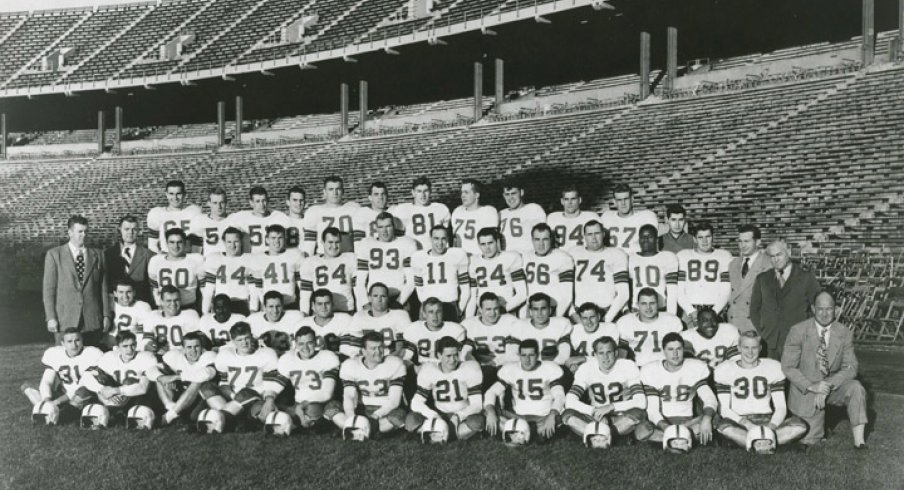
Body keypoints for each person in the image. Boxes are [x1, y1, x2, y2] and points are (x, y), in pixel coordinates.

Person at [781, 292, 867, 449]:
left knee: (856, 388)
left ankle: (859, 442)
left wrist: (826, 386)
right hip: (807, 390)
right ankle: (818, 426)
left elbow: (851, 366)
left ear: (836, 310)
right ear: (813, 309)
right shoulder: (798, 331)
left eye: (829, 309)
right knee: (809, 440)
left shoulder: (844, 332)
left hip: (831, 387)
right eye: (821, 309)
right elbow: (788, 367)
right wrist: (812, 386)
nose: (825, 313)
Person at [715, 331, 807, 449]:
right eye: (746, 347)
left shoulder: (773, 367)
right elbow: (725, 409)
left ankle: (751, 442)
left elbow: (781, 407)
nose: (750, 352)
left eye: (754, 348)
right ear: (739, 348)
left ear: (760, 348)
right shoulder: (725, 369)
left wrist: (771, 426)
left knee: (800, 426)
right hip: (739, 420)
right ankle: (770, 441)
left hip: (767, 418)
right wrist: (747, 424)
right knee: (724, 427)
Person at [563, 337, 649, 442]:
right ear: (595, 355)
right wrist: (593, 411)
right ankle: (610, 435)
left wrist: (612, 407)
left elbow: (641, 402)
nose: (605, 357)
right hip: (596, 417)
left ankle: (595, 435)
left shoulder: (627, 366)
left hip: (621, 416)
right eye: (601, 353)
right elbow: (569, 400)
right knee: (567, 415)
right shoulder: (586, 368)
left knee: (638, 414)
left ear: (616, 353)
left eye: (609, 352)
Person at [43, 215, 111, 346]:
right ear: (70, 232)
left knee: (92, 359)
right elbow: (49, 290)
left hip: (91, 318)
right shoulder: (54, 255)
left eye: (86, 231)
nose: (84, 235)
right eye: (80, 231)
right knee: (64, 360)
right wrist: (51, 317)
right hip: (65, 319)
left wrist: (106, 315)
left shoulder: (98, 255)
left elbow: (103, 288)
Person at [638, 332, 717, 445]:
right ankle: (684, 438)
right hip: (661, 422)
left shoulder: (695, 367)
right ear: (663, 350)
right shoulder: (651, 370)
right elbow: (652, 411)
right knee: (641, 431)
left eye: (678, 349)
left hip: (689, 421)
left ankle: (671, 439)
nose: (675, 354)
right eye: (670, 349)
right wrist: (667, 428)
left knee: (714, 420)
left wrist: (707, 419)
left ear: (683, 349)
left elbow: (710, 399)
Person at [200, 322, 283, 429]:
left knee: (246, 392)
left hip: (255, 398)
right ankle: (229, 418)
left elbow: (271, 384)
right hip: (231, 398)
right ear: (233, 341)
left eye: (247, 338)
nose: (244, 343)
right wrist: (234, 397)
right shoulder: (226, 355)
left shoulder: (266, 354)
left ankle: (218, 420)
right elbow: (224, 384)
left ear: (252, 337)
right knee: (206, 387)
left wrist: (269, 400)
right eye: (239, 340)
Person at [750, 239, 821, 360]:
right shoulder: (762, 279)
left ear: (788, 252)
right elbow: (754, 310)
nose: (775, 260)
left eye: (779, 254)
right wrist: (764, 330)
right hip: (770, 343)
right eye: (772, 256)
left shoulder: (805, 277)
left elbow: (818, 307)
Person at [484, 339, 565, 442]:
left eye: (531, 355)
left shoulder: (549, 368)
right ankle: (529, 433)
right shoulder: (511, 369)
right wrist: (491, 413)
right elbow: (491, 392)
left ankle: (515, 432)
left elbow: (560, 396)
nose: (527, 359)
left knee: (560, 417)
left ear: (538, 355)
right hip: (517, 415)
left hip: (543, 417)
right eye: (523, 355)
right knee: (487, 411)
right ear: (519, 355)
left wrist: (552, 415)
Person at [406, 337, 485, 441]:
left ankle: (435, 433)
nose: (453, 360)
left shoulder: (469, 368)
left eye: (456, 355)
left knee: (478, 421)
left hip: (463, 415)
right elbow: (416, 403)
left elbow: (477, 404)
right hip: (440, 413)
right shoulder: (429, 369)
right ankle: (450, 434)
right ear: (439, 355)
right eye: (448, 356)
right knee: (411, 420)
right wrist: (434, 415)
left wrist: (459, 416)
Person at [332, 331, 409, 435]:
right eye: (373, 348)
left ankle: (355, 429)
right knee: (331, 407)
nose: (378, 351)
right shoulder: (350, 365)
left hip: (385, 410)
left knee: (399, 416)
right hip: (361, 409)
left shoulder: (395, 364)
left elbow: (394, 401)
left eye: (380, 347)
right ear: (363, 351)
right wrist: (351, 417)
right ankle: (366, 429)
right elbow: (349, 396)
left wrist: (376, 415)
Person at [21, 329, 103, 421]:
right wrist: (46, 399)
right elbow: (47, 381)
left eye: (77, 340)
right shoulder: (55, 353)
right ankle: (47, 409)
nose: (74, 345)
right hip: (63, 391)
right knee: (27, 386)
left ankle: (60, 415)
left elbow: (84, 384)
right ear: (63, 343)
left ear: (82, 340)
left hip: (81, 393)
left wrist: (57, 402)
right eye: (69, 341)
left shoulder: (92, 353)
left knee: (83, 393)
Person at [273, 326, 342, 430]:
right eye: (301, 344)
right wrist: (270, 400)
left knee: (311, 410)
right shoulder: (287, 359)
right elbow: (277, 386)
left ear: (315, 342)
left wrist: (301, 407)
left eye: (309, 343)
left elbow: (327, 394)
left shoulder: (327, 357)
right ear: (295, 344)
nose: (305, 347)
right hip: (298, 404)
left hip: (323, 402)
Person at [81, 331, 158, 415]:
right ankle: (113, 410)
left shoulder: (147, 357)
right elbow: (86, 376)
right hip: (114, 397)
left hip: (137, 397)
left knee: (130, 381)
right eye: (125, 346)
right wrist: (101, 389)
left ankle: (112, 411)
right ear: (118, 347)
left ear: (136, 344)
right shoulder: (109, 357)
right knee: (98, 378)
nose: (129, 349)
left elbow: (143, 388)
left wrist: (115, 391)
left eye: (132, 345)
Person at [354, 212, 419, 311]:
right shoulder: (366, 244)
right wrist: (365, 303)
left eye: (388, 226)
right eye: (381, 227)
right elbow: (360, 281)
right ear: (376, 228)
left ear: (394, 227)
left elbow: (411, 280)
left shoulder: (406, 243)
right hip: (374, 298)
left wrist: (399, 302)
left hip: (397, 296)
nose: (384, 231)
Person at [150, 331, 218, 425]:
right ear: (183, 349)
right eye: (189, 347)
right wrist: (161, 377)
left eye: (196, 346)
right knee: (159, 378)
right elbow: (152, 369)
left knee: (196, 382)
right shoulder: (174, 355)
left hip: (199, 396)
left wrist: (176, 377)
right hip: (180, 394)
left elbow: (207, 373)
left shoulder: (209, 356)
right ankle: (170, 407)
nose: (193, 350)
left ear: (202, 347)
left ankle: (170, 416)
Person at [569, 220, 629, 323]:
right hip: (580, 314)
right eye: (589, 234)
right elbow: (566, 290)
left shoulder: (616, 254)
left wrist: (607, 319)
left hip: (608, 312)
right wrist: (573, 314)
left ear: (603, 234)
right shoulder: (573, 253)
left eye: (597, 233)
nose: (593, 238)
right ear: (584, 236)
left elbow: (624, 293)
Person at [676, 221, 732, 327]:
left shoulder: (724, 256)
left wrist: (714, 312)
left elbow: (726, 289)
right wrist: (691, 311)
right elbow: (679, 290)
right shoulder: (683, 256)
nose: (705, 241)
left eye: (708, 236)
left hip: (716, 310)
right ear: (694, 239)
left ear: (713, 237)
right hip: (690, 311)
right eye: (700, 237)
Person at [410, 225, 470, 321]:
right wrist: (424, 305)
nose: (440, 243)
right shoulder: (419, 257)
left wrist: (460, 309)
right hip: (428, 306)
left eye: (443, 239)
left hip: (449, 305)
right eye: (436, 238)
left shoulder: (457, 255)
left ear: (447, 239)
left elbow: (465, 287)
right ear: (430, 239)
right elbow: (418, 286)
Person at [616, 288, 683, 367]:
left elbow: (680, 349)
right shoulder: (625, 322)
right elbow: (622, 352)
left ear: (658, 304)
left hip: (664, 367)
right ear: (637, 305)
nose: (648, 307)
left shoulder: (671, 320)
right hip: (637, 367)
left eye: (652, 303)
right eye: (644, 303)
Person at [468, 227, 527, 316]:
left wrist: (505, 308)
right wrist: (470, 318)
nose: (487, 248)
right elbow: (472, 296)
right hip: (482, 312)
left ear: (497, 242)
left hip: (506, 309)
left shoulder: (510, 258)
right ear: (478, 245)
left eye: (490, 243)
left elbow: (522, 293)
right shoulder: (473, 261)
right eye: (483, 244)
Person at [299, 227, 358, 314]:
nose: (334, 246)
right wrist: (304, 313)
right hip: (321, 312)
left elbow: (357, 288)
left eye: (337, 242)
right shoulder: (310, 262)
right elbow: (305, 294)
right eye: (330, 242)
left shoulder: (350, 258)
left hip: (345, 310)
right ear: (322, 242)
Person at [520, 223, 574, 316]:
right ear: (532, 240)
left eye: (545, 239)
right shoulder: (525, 256)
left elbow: (567, 296)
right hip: (530, 309)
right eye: (537, 239)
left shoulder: (562, 257)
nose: (541, 244)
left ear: (551, 239)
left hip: (552, 309)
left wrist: (557, 317)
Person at [401, 298, 469, 369]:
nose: (435, 316)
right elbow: (407, 356)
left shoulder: (455, 330)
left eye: (438, 311)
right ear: (424, 314)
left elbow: (461, 357)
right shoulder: (414, 328)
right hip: (422, 369)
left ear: (443, 312)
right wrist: (415, 368)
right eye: (431, 312)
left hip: (447, 369)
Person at [248, 224, 304, 309]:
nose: (277, 241)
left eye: (280, 238)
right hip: (269, 306)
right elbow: (257, 288)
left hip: (290, 303)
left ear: (285, 239)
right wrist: (259, 306)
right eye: (273, 238)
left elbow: (301, 285)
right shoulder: (258, 258)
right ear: (267, 240)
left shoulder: (294, 255)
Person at [147, 228, 205, 310]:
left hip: (188, 307)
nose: (176, 246)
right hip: (165, 308)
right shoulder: (156, 261)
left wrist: (203, 309)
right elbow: (154, 289)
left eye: (179, 242)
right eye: (172, 242)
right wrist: (159, 306)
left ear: (185, 243)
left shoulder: (196, 260)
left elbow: (204, 290)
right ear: (166, 244)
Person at [462, 292, 520, 373]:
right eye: (488, 309)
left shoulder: (510, 321)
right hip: (479, 369)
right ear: (480, 310)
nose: (493, 313)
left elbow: (513, 353)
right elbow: (465, 353)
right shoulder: (469, 324)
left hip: (505, 367)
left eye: (496, 309)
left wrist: (494, 363)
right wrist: (476, 365)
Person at [302, 176, 360, 256]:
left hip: (348, 257)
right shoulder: (314, 211)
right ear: (324, 192)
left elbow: (360, 240)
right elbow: (309, 245)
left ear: (343, 191)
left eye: (338, 189)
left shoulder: (353, 209)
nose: (335, 193)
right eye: (331, 189)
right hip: (324, 257)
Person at [728, 224, 770, 334]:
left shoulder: (768, 264)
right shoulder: (733, 264)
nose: (742, 245)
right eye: (740, 241)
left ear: (758, 242)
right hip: (733, 326)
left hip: (755, 326)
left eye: (747, 241)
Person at [201, 227, 254, 315]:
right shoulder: (215, 258)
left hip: (241, 304)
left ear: (241, 242)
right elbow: (209, 288)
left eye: (236, 241)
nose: (232, 245)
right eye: (229, 242)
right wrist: (205, 311)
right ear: (224, 242)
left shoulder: (249, 259)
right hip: (221, 304)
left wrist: (253, 309)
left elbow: (253, 289)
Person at [349, 283, 412, 356]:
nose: (379, 299)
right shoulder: (359, 316)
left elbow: (404, 346)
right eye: (375, 296)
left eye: (383, 296)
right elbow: (355, 346)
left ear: (388, 298)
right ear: (369, 298)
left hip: (393, 359)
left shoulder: (400, 315)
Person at [510, 293, 573, 366]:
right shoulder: (519, 326)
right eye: (535, 309)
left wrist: (547, 367)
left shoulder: (562, 324)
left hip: (552, 368)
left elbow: (564, 355)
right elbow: (512, 355)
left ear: (549, 310)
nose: (539, 313)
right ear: (530, 311)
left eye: (543, 308)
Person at [628, 224, 678, 314]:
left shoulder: (668, 257)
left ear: (656, 239)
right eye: (643, 237)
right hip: (637, 309)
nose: (646, 240)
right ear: (639, 240)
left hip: (660, 308)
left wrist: (671, 315)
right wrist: (626, 310)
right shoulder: (631, 258)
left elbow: (672, 292)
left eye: (650, 236)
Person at [105, 215, 154, 306]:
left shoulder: (148, 255)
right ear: (120, 229)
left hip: (140, 305)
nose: (130, 232)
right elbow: (106, 284)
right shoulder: (108, 254)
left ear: (139, 231)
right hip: (116, 307)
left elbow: (151, 286)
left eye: (134, 229)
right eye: (126, 229)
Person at [392, 176, 451, 251]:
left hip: (435, 252)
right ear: (413, 192)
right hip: (413, 252)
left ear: (430, 191)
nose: (423, 195)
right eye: (419, 191)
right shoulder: (403, 209)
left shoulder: (441, 208)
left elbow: (446, 235)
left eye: (425, 191)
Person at [228, 186, 290, 255]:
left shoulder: (279, 216)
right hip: (251, 259)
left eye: (264, 200)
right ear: (251, 203)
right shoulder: (241, 217)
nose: (262, 204)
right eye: (258, 201)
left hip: (272, 259)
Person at [298, 289, 360, 358]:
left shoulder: (345, 319)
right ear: (313, 306)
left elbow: (353, 352)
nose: (323, 307)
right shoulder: (302, 324)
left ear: (333, 304)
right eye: (319, 304)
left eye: (327, 303)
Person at [140, 285, 201, 354]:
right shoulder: (153, 316)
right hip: (160, 356)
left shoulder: (190, 315)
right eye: (169, 301)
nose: (173, 304)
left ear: (180, 300)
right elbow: (146, 339)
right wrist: (148, 346)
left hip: (184, 357)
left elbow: (199, 342)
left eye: (176, 300)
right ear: (161, 302)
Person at [146, 180, 202, 254]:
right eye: (171, 194)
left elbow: (198, 242)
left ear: (184, 194)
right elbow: (152, 244)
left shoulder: (193, 212)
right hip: (166, 256)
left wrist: (193, 258)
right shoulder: (157, 213)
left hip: (187, 256)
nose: (175, 197)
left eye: (178, 194)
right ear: (166, 194)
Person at [600, 184, 658, 254]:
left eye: (626, 199)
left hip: (635, 261)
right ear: (614, 202)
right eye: (619, 200)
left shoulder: (645, 217)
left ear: (632, 199)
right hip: (612, 260)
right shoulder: (607, 217)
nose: (623, 203)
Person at [451, 179, 498, 256]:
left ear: (477, 195)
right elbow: (455, 240)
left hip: (479, 258)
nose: (462, 195)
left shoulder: (487, 212)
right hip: (461, 258)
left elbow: (492, 241)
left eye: (466, 192)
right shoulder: (457, 212)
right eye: (462, 192)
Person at [566, 302, 619, 370]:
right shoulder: (573, 330)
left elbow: (611, 358)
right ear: (580, 319)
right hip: (582, 369)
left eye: (592, 317)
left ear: (598, 317)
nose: (589, 322)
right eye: (585, 318)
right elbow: (569, 360)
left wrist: (585, 359)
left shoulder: (610, 328)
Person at [498, 181, 547, 255]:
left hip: (528, 255)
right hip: (507, 258)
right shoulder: (501, 213)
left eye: (513, 193)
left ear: (521, 192)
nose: (510, 198)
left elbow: (542, 234)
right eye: (507, 194)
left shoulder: (533, 208)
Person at [546, 184, 599, 251]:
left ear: (579, 200)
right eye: (566, 199)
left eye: (573, 199)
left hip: (583, 257)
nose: (569, 202)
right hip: (559, 257)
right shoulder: (552, 218)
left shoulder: (591, 217)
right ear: (562, 201)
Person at [188, 188, 231, 257]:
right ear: (209, 203)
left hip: (229, 262)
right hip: (208, 263)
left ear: (226, 203)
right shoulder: (200, 220)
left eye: (222, 202)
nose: (219, 206)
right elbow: (195, 248)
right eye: (215, 203)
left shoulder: (234, 220)